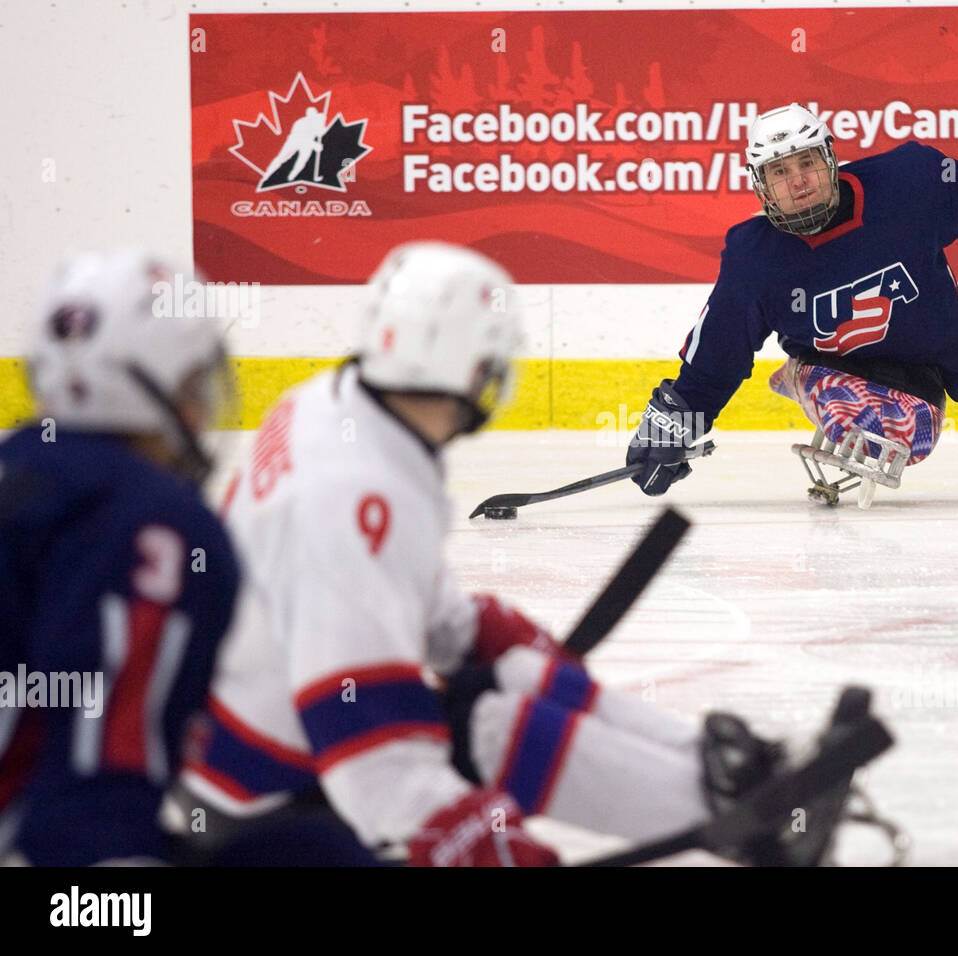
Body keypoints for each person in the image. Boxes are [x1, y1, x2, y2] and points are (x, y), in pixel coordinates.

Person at [175, 241, 881, 866]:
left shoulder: (330, 405)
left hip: (255, 712)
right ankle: (742, 821)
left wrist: (494, 634)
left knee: (514, 675)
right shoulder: (360, 498)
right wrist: (471, 838)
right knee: (494, 723)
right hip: (263, 784)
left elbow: (400, 606)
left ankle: (730, 777)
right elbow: (369, 749)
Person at [626, 102, 958, 499]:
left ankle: (826, 392)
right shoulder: (754, 256)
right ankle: (803, 378)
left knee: (905, 438)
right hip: (826, 364)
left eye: (807, 162)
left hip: (917, 372)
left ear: (831, 158)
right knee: (867, 423)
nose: (799, 182)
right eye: (780, 173)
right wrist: (677, 421)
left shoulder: (912, 184)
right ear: (761, 186)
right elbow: (718, 350)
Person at [0, 250, 241, 865]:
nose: (201, 409)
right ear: (142, 385)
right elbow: (92, 797)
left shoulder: (21, 468)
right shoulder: (151, 526)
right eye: (194, 386)